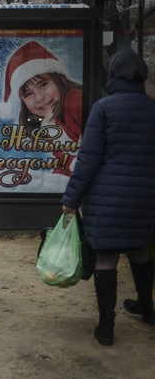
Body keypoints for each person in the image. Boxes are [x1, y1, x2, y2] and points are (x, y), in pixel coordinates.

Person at [62, 50, 155, 346]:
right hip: (144, 196)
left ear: (112, 75)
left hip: (107, 196)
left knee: (106, 256)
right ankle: (147, 307)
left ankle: (106, 327)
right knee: (140, 250)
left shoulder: (104, 108)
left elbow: (88, 159)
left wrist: (71, 199)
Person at [0, 41, 82, 175]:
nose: (39, 97)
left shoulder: (74, 99)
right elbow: (62, 162)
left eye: (43, 85)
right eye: (29, 94)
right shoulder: (48, 125)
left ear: (59, 79)